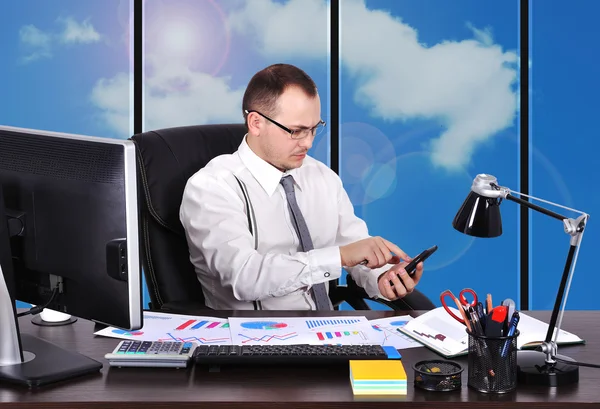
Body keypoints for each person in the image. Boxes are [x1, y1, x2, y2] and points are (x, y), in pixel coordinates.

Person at [180, 63, 424, 310]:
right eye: (295, 131)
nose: (307, 143)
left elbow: (356, 247)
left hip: (329, 334)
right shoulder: (212, 187)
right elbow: (242, 277)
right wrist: (338, 256)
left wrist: (382, 277)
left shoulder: (322, 177)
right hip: (252, 340)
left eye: (314, 129)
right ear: (255, 123)